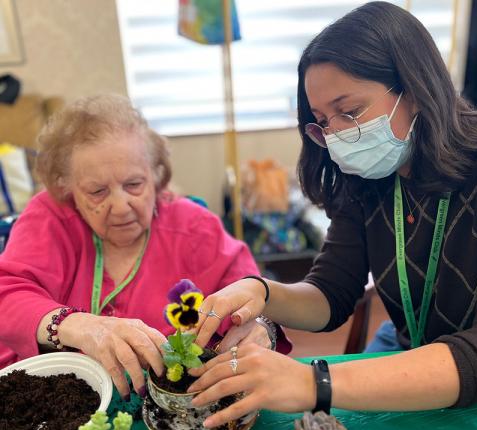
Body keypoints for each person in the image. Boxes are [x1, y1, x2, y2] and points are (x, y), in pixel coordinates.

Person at [188, 1, 477, 429]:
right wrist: (263, 292)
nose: (338, 136)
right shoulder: (368, 179)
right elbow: (331, 292)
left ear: (414, 90)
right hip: (410, 355)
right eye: (323, 122)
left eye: (351, 112)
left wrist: (316, 382)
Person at [0, 94, 288, 400]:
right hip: (55, 400)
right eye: (97, 191)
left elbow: (256, 300)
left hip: (174, 406)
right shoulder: (50, 217)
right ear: (67, 187)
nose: (121, 206)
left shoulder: (196, 228)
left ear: (156, 175)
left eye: (134, 185)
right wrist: (76, 325)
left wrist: (261, 328)